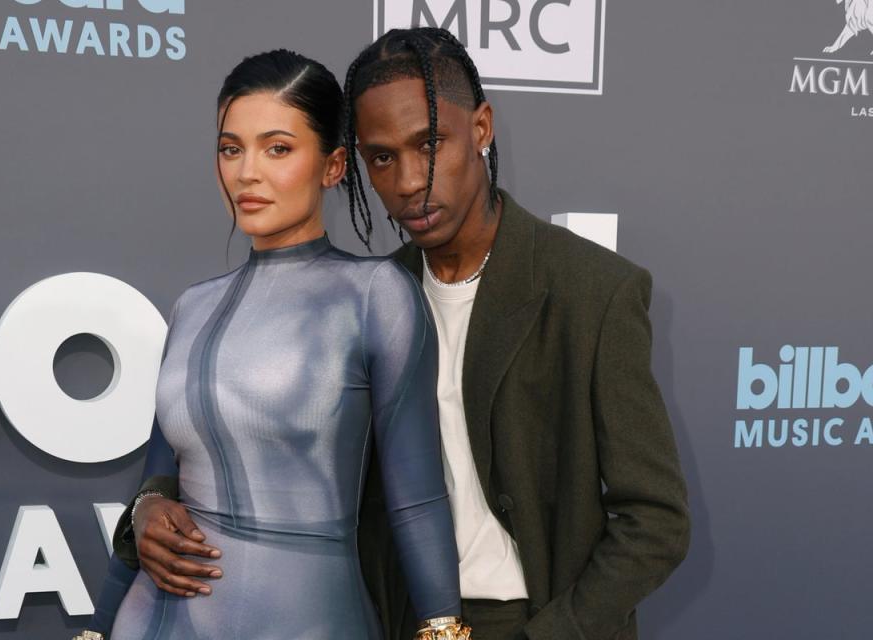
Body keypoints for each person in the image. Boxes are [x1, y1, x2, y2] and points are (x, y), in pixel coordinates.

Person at [104, 27, 691, 640]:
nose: (409, 181)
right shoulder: (373, 294)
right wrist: (148, 506)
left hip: (539, 620)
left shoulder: (590, 290)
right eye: (382, 158)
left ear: (482, 129)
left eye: (430, 144)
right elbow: (237, 437)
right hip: (394, 617)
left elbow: (655, 521)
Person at [76, 48, 470, 640]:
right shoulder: (192, 306)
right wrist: (99, 622)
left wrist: (443, 630)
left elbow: (416, 499)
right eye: (231, 148)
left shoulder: (374, 294)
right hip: (153, 622)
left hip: (311, 619)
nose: (247, 173)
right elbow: (156, 486)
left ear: (333, 166)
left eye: (277, 148)